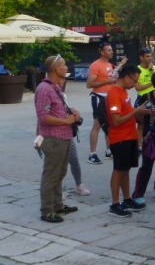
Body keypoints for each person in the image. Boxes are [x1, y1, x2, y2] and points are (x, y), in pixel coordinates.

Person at [35, 55, 80, 223]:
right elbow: (43, 116)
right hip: (53, 139)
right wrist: (66, 121)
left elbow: (55, 111)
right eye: (64, 65)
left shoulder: (56, 86)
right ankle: (47, 211)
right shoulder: (44, 89)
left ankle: (57, 205)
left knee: (60, 173)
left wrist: (71, 111)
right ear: (56, 68)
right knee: (51, 175)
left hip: (63, 137)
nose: (67, 67)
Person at [106, 65, 149, 217]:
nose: (135, 84)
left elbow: (126, 113)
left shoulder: (123, 92)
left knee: (126, 169)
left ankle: (126, 199)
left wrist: (137, 110)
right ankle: (114, 204)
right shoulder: (114, 93)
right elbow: (116, 121)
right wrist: (136, 111)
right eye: (135, 81)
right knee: (118, 169)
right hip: (120, 138)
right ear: (126, 78)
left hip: (129, 136)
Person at [132, 71, 155, 203]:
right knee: (146, 166)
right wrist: (142, 115)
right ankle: (138, 194)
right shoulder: (146, 97)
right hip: (150, 137)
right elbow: (138, 114)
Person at [87, 42, 125, 164]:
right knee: (97, 125)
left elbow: (111, 80)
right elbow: (89, 84)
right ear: (102, 52)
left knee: (110, 124)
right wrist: (107, 81)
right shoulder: (95, 65)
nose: (111, 52)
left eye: (111, 49)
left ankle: (109, 151)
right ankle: (92, 154)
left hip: (110, 97)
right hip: (99, 97)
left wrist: (114, 80)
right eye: (108, 50)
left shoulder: (109, 65)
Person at [135, 47, 155, 151]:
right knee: (141, 123)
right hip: (143, 98)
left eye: (150, 56)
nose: (150, 58)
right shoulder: (137, 70)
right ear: (141, 57)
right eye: (147, 56)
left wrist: (152, 70)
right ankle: (139, 147)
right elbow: (137, 87)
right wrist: (152, 83)